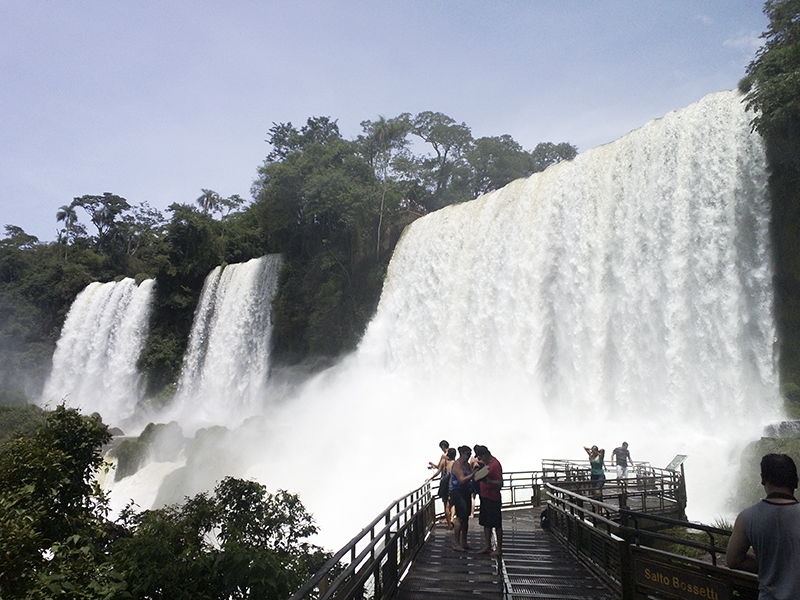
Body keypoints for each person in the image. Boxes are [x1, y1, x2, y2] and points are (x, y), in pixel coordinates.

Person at [727, 453, 800, 599]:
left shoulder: (746, 517)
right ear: (796, 481)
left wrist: (769, 566)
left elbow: (733, 560)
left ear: (762, 479)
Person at [475, 446, 503, 556]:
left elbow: (499, 483)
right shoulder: (487, 464)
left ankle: (499, 548)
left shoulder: (495, 465)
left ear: (485, 455)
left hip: (493, 497)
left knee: (496, 524)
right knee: (486, 523)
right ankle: (488, 546)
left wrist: (487, 481)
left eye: (481, 457)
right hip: (485, 496)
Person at [450, 445, 476, 552]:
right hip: (457, 491)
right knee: (460, 517)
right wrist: (473, 474)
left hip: (466, 491)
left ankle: (464, 541)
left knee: (465, 516)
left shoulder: (467, 464)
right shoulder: (457, 464)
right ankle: (456, 543)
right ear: (462, 454)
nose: (469, 456)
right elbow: (461, 479)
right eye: (467, 454)